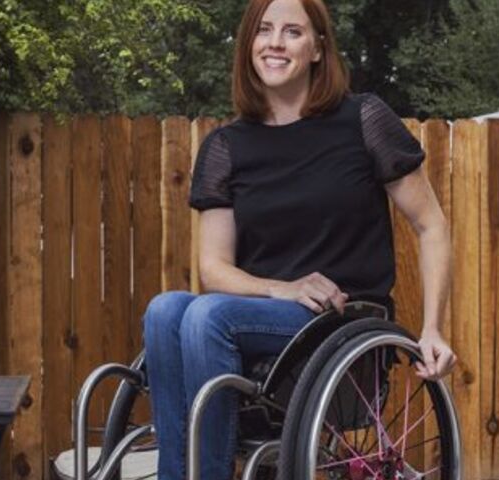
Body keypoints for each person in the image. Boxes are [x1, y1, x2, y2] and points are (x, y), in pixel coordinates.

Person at [142, 0, 457, 478]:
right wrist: (281, 287)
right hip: (261, 314)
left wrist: (432, 329)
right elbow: (214, 268)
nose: (275, 43)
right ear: (248, 45)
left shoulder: (362, 120)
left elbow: (430, 226)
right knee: (164, 309)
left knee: (207, 314)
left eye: (292, 32)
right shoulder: (226, 148)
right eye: (263, 31)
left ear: (317, 48)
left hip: (341, 319)